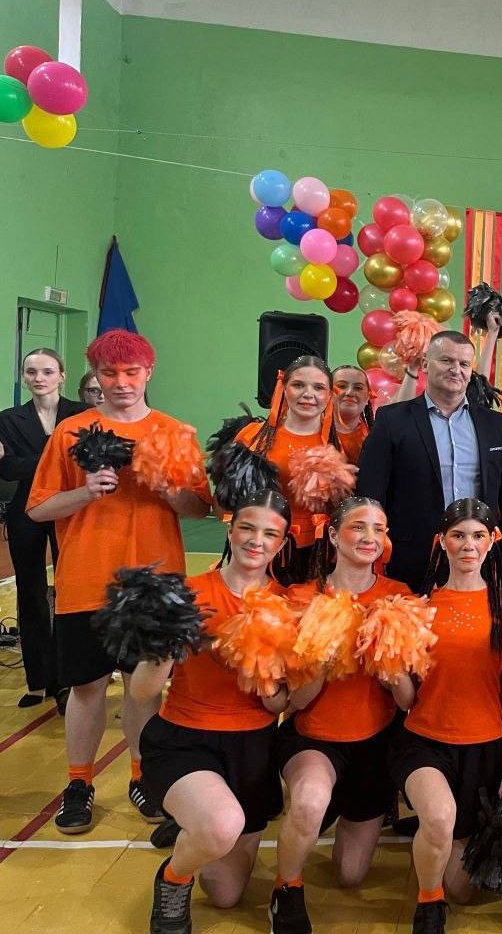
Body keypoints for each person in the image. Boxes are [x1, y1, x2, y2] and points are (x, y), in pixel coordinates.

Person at [28, 330, 212, 834]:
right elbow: (39, 508)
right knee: (87, 687)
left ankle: (142, 775)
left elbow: (200, 507)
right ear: (96, 377)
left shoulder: (173, 433)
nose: (122, 382)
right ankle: (79, 782)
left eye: (132, 372)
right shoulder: (70, 432)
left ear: (148, 372)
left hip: (155, 584)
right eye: (110, 373)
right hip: (86, 577)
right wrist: (85, 492)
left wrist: (168, 489)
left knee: (143, 688)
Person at [134, 490, 291, 934]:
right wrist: (166, 647)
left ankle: (193, 825)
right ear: (229, 527)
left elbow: (280, 704)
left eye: (269, 533)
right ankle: (173, 877)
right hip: (186, 738)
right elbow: (143, 690)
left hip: (253, 749)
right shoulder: (188, 594)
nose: (256, 541)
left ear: (282, 542)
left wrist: (260, 676)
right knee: (222, 825)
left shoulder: (289, 605)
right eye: (247, 528)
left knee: (225, 895)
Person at [269, 498, 412, 934]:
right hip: (314, 737)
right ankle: (286, 889)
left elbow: (407, 701)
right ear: (332, 535)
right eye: (358, 527)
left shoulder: (399, 596)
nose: (370, 537)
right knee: (310, 800)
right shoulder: (301, 598)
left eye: (379, 529)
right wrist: (322, 664)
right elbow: (294, 701)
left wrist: (391, 673)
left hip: (375, 744)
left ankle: (336, 815)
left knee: (350, 876)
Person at [386, 498, 502, 934]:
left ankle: (435, 843)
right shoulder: (417, 605)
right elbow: (407, 700)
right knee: (440, 816)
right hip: (424, 741)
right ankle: (429, 905)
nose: (468, 545)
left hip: (485, 746)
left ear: (491, 541)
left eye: (478, 535)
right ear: (441, 542)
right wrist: (392, 673)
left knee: (464, 889)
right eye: (458, 535)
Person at [357, 330, 502, 594]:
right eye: (446, 360)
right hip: (409, 561)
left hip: (480, 559)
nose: (456, 370)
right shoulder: (392, 420)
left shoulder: (494, 424)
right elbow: (370, 497)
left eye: (464, 364)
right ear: (426, 364)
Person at [0, 348, 87, 707]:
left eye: (47, 371)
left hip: (71, 508)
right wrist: (57, 459)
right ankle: (39, 680)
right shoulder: (8, 419)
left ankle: (69, 678)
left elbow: (85, 462)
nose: (39, 378)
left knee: (71, 591)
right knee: (30, 591)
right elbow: (7, 470)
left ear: (62, 376)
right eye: (31, 371)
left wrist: (30, 462)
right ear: (23, 377)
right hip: (27, 510)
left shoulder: (81, 414)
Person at [233, 356, 343, 586]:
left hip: (314, 553)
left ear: (329, 395)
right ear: (283, 388)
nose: (308, 394)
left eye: (319, 387)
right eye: (298, 385)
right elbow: (224, 502)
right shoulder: (253, 437)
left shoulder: (336, 446)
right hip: (258, 548)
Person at [332, 365, 372, 464]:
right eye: (342, 386)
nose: (349, 393)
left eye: (358, 388)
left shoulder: (378, 434)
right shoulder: (310, 432)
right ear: (327, 393)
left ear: (368, 396)